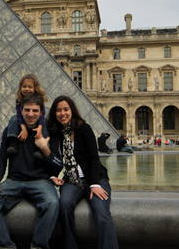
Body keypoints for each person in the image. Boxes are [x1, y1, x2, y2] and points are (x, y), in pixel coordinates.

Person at [0, 93, 60, 249]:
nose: (31, 114)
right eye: (27, 110)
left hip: (40, 181)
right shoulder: (11, 131)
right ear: (21, 111)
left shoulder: (49, 132)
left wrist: (44, 148)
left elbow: (57, 166)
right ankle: (5, 246)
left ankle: (38, 246)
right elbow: (1, 158)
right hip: (13, 181)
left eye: (35, 110)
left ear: (41, 112)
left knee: (52, 203)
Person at [41, 95, 119, 249]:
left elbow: (94, 159)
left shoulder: (84, 128)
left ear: (72, 111)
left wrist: (95, 184)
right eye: (58, 110)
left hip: (95, 178)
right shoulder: (56, 133)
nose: (62, 113)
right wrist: (52, 175)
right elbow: (56, 159)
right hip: (72, 180)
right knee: (64, 205)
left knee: (101, 212)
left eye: (65, 109)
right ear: (54, 114)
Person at [7, 73, 48, 156]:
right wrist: (23, 128)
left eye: (30, 87)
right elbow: (19, 115)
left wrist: (40, 128)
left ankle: (40, 149)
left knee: (45, 124)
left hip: (37, 122)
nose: (26, 89)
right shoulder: (19, 99)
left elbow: (42, 115)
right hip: (23, 120)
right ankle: (13, 143)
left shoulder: (39, 98)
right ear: (20, 88)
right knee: (14, 118)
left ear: (35, 88)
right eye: (24, 87)